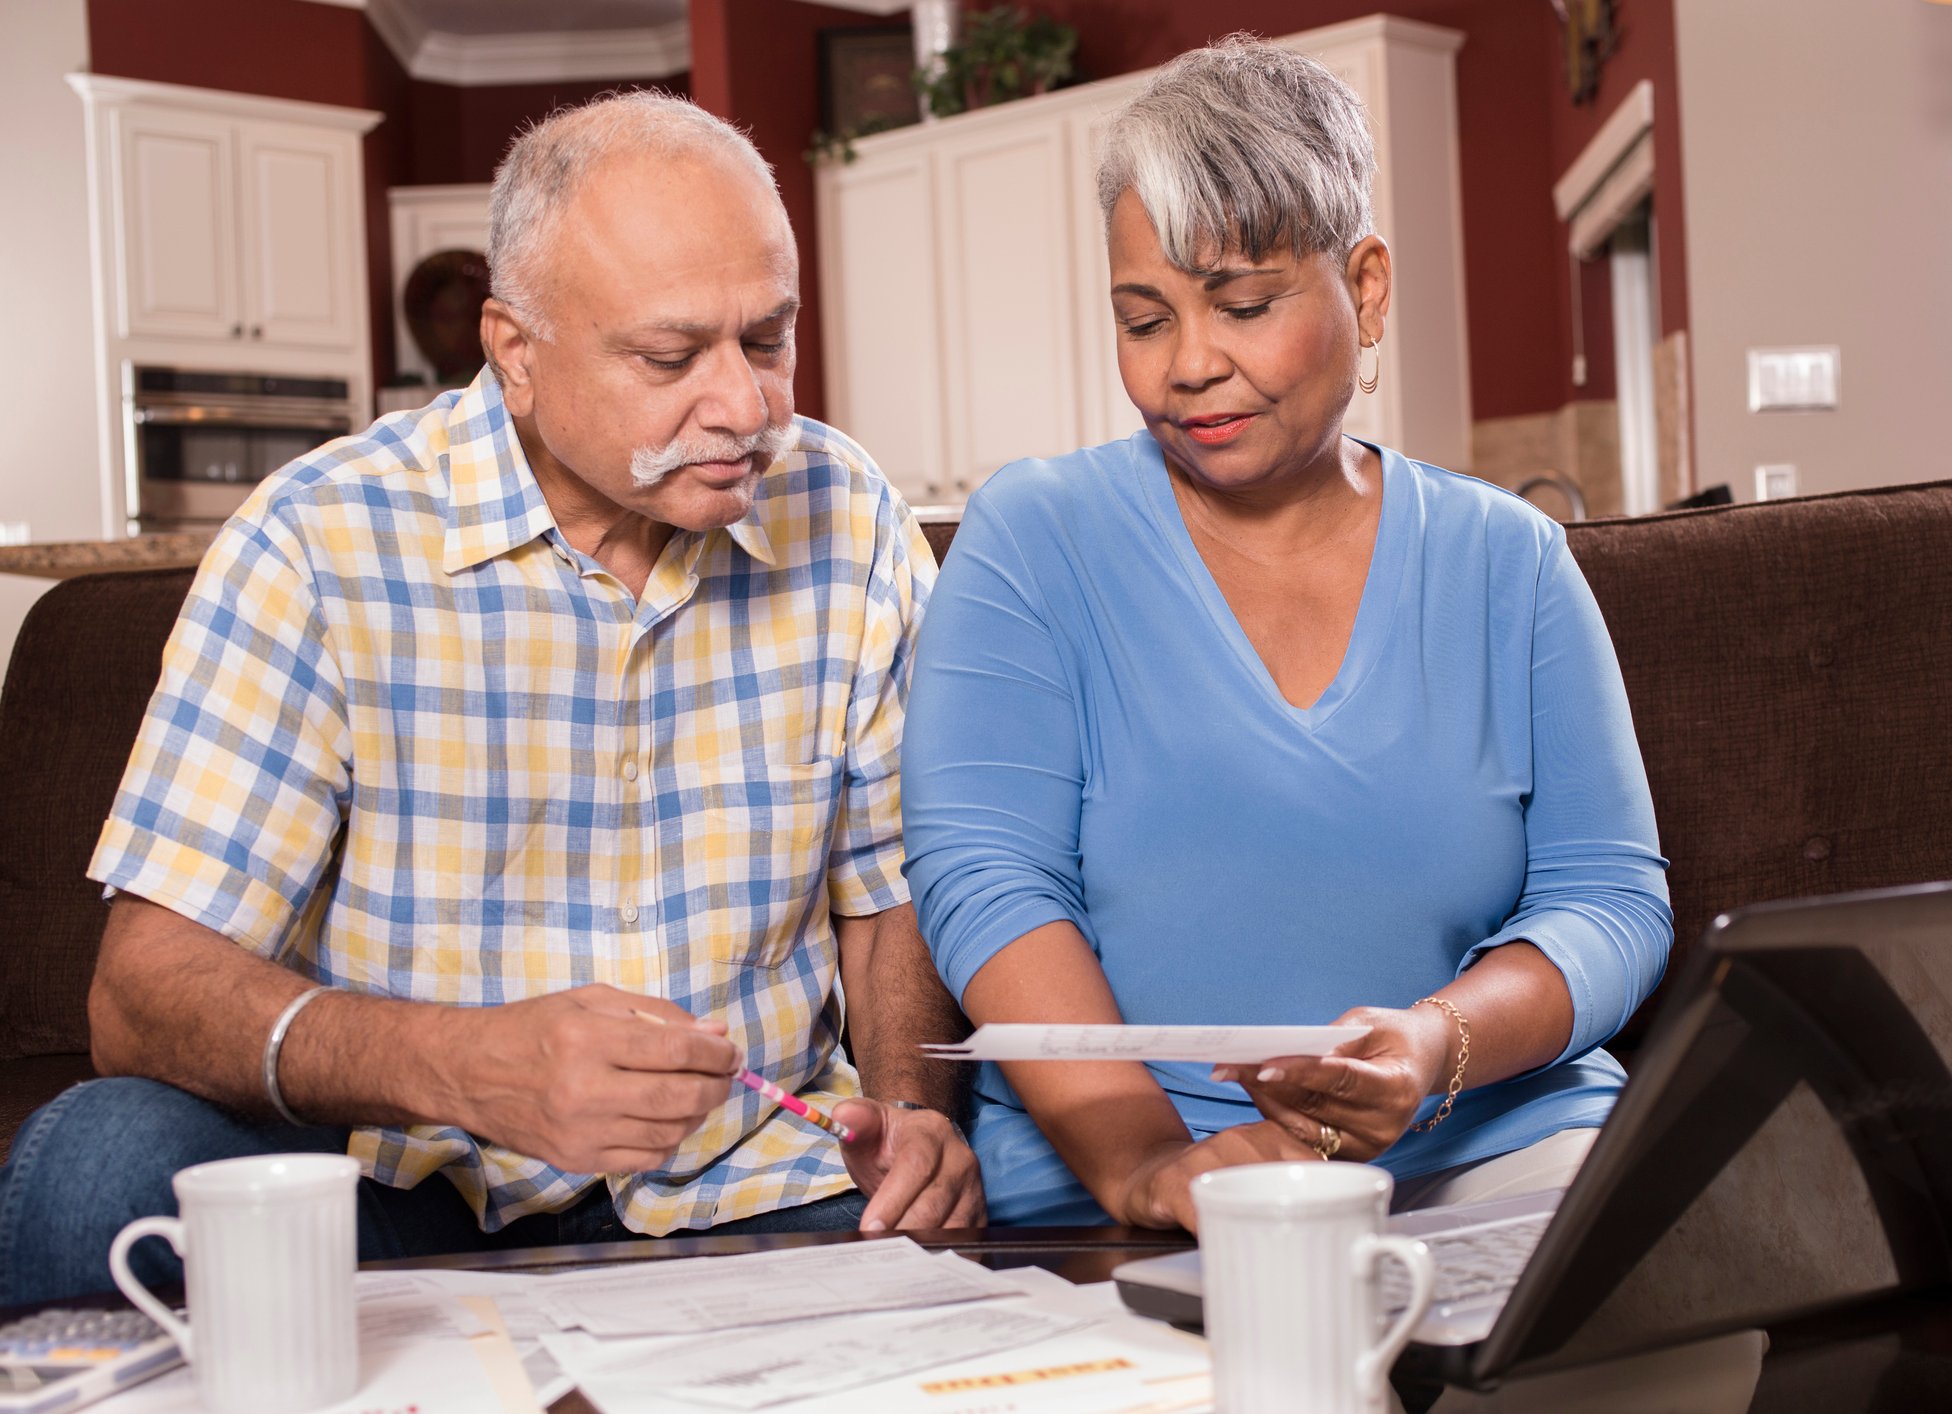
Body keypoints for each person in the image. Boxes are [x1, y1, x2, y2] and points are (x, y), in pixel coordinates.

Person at [0, 91, 979, 1307]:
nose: (744, 408)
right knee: (101, 1160)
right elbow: (142, 993)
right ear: (515, 352)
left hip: (752, 1181)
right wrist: (467, 1067)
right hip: (391, 1194)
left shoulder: (852, 515)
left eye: (768, 340)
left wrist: (908, 1116)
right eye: (671, 358)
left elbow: (893, 897)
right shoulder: (319, 541)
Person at [901, 38, 1673, 1231]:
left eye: (1245, 304)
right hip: (1109, 1179)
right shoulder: (1034, 538)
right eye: (1144, 320)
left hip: (1494, 1148)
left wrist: (1432, 1047)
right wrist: (1150, 1163)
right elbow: (988, 881)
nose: (1191, 367)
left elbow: (1612, 900)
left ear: (1365, 289)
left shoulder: (1509, 563)